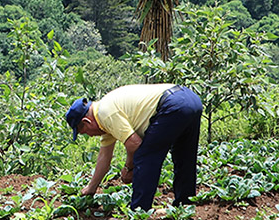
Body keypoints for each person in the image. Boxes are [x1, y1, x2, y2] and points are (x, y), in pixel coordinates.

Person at [65, 84, 203, 211]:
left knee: (145, 156)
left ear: (87, 122)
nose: (89, 135)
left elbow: (134, 144)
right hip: (191, 99)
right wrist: (91, 188)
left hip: (173, 105)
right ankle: (185, 205)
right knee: (184, 155)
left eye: (84, 132)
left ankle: (140, 210)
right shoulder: (104, 113)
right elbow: (104, 157)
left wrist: (129, 168)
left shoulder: (106, 114)